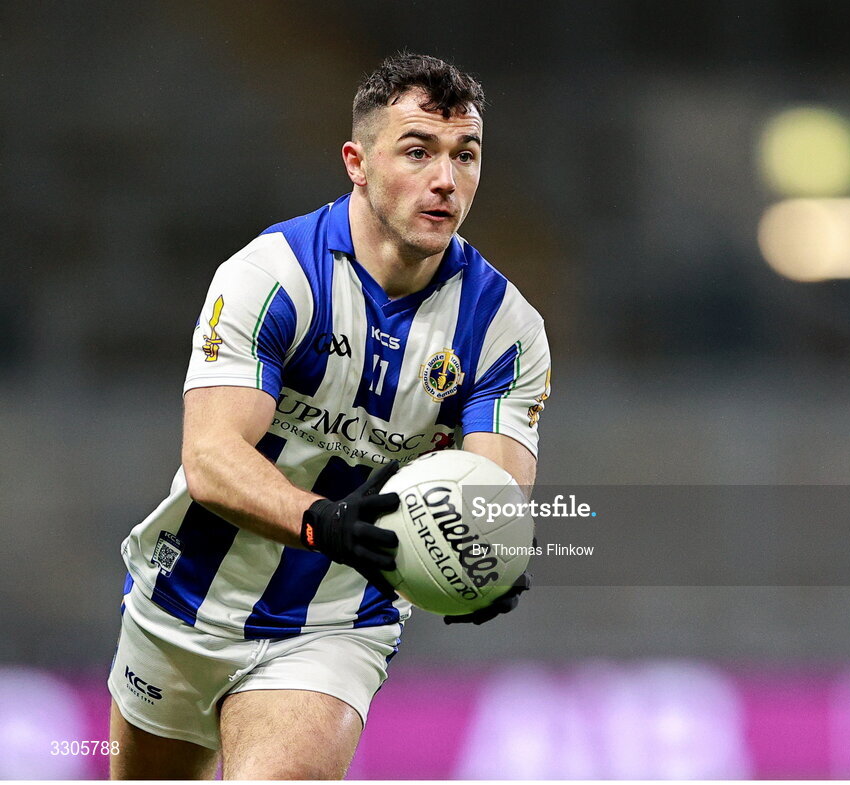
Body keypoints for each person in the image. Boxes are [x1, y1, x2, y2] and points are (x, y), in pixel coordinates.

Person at [108, 52, 551, 779]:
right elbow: (212, 457)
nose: (446, 179)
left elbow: (491, 489)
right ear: (357, 161)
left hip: (333, 623)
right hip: (184, 598)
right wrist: (323, 521)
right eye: (418, 151)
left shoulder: (506, 328)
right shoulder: (271, 275)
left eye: (464, 155)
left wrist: (490, 556)